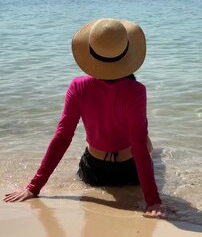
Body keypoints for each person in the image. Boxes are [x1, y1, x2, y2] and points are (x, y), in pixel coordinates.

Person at [4, 18, 167, 218]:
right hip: (129, 172)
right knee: (147, 143)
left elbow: (62, 137)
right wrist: (153, 200)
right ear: (127, 53)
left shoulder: (78, 86)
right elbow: (138, 144)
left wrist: (34, 186)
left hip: (94, 172)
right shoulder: (136, 90)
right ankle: (158, 154)